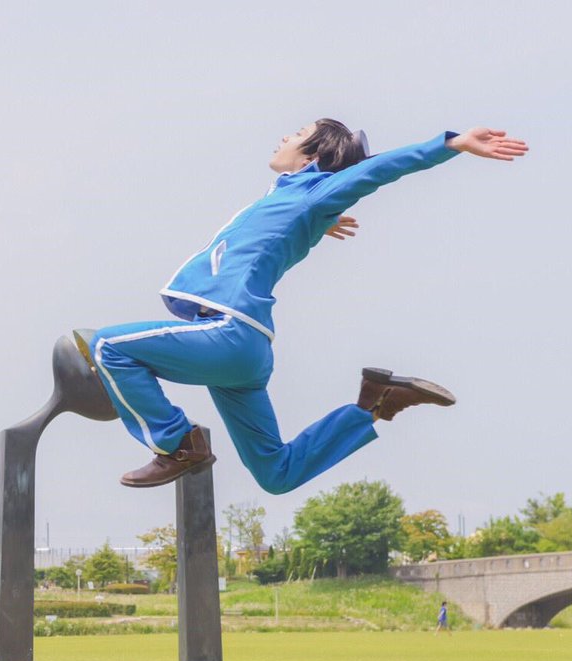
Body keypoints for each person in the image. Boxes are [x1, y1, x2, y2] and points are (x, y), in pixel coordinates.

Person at [79, 121, 527, 490]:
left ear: (313, 156)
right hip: (246, 358)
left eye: (295, 133)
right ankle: (371, 404)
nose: (282, 136)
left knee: (109, 346)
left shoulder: (314, 193)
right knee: (276, 473)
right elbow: (276, 230)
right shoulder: (292, 200)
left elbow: (379, 170)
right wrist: (317, 223)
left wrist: (449, 144)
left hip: (228, 333)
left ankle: (177, 444)